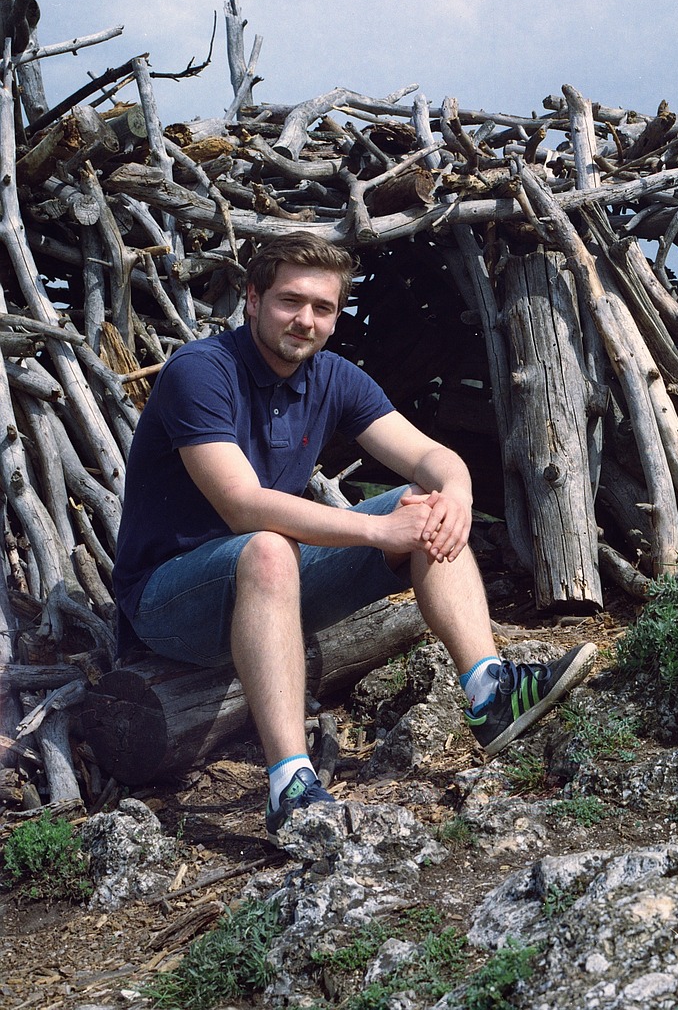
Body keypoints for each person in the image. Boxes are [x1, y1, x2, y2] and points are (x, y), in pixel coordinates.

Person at [111, 230, 596, 840]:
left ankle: (489, 691)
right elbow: (242, 506)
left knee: (423, 505)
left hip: (271, 584)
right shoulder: (202, 372)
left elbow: (432, 457)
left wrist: (457, 495)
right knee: (268, 545)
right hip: (169, 602)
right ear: (253, 300)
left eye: (323, 308)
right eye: (291, 301)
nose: (305, 320)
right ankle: (290, 782)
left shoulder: (334, 377)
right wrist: (377, 528)